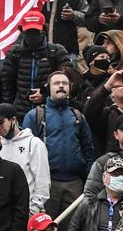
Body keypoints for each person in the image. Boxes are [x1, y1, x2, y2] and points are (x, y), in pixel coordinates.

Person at [24, 72, 94, 218]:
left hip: (75, 184)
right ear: (48, 88)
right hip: (47, 184)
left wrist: (88, 180)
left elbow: (88, 150)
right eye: (56, 83)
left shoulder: (78, 116)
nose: (61, 86)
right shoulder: (34, 115)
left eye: (65, 83)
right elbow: (26, 152)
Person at [0, 12, 71, 117]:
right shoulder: (14, 53)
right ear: (22, 30)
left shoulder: (56, 51)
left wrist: (45, 93)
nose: (32, 35)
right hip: (21, 113)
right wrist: (10, 111)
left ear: (43, 29)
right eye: (29, 31)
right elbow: (6, 85)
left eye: (36, 31)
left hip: (51, 112)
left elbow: (68, 79)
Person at [0, 104, 49, 215]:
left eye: (1, 123)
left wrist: (33, 211)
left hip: (26, 212)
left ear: (13, 120)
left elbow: (42, 182)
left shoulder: (34, 143)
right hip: (1, 214)